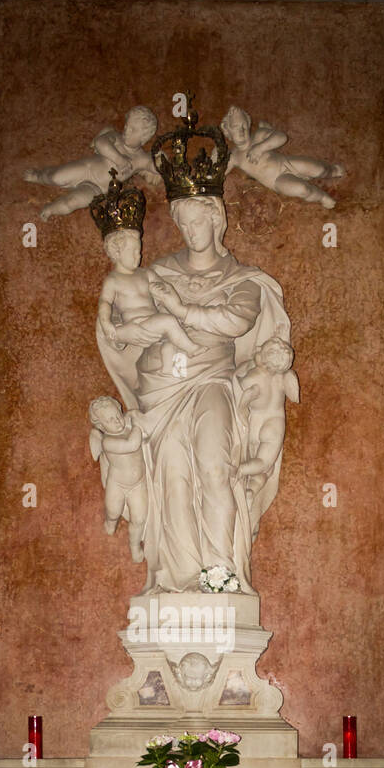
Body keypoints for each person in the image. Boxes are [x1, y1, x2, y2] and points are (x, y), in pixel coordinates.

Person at [97, 192, 291, 594]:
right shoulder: (157, 272)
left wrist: (178, 310)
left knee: (215, 469)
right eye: (182, 223)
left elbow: (234, 321)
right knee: (171, 478)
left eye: (197, 222)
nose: (189, 231)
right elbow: (125, 316)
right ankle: (176, 578)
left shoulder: (244, 281)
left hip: (212, 383)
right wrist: (119, 325)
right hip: (160, 387)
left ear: (217, 220)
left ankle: (220, 577)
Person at [24, 106, 159, 220]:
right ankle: (39, 175)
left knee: (72, 202)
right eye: (126, 125)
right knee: (56, 177)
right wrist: (120, 159)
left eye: (133, 130)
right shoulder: (116, 138)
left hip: (97, 188)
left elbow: (157, 167)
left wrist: (161, 160)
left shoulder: (141, 159)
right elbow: (100, 142)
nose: (126, 131)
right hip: (86, 168)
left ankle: (51, 209)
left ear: (144, 138)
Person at [97, 228, 198, 376]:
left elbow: (166, 288)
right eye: (132, 251)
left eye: (138, 250)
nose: (138, 255)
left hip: (153, 323)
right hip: (138, 325)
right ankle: (192, 349)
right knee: (168, 321)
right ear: (117, 253)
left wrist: (161, 290)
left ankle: (167, 370)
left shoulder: (146, 274)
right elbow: (104, 302)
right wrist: (107, 325)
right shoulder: (113, 280)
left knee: (170, 344)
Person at [234, 337, 299, 535]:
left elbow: (237, 395)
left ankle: (239, 470)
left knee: (252, 458)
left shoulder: (253, 377)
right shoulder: (283, 377)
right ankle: (251, 490)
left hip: (255, 424)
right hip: (274, 423)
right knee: (264, 466)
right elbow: (295, 397)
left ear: (262, 358)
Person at [220, 105, 343, 209]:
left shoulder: (258, 135)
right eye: (236, 127)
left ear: (248, 124)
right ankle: (321, 196)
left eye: (244, 126)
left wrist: (260, 147)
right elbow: (218, 174)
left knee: (319, 169)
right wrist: (217, 154)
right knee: (302, 189)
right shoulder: (233, 156)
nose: (242, 131)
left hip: (287, 163)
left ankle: (332, 170)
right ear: (227, 131)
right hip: (278, 180)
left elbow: (281, 137)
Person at [88, 396, 148, 563]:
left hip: (138, 483)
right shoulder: (108, 442)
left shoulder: (127, 426)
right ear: (100, 426)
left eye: (118, 416)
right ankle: (110, 522)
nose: (117, 422)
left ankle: (134, 545)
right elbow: (131, 445)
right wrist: (137, 427)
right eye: (110, 420)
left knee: (139, 518)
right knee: (113, 511)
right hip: (118, 484)